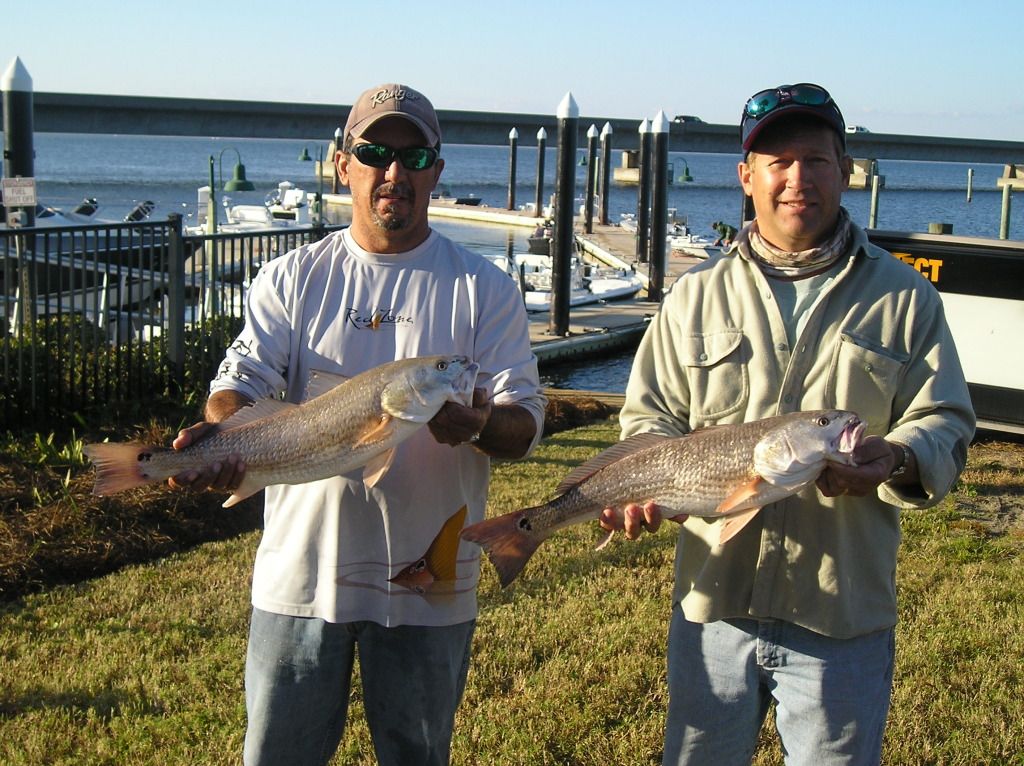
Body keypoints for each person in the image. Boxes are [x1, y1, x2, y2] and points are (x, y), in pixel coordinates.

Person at [170, 83, 546, 766]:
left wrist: (480, 426)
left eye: (413, 156)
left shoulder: (483, 289)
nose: (393, 172)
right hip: (300, 580)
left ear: (437, 168)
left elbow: (523, 424)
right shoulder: (291, 278)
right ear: (343, 163)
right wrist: (224, 440)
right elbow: (238, 383)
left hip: (433, 585)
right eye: (374, 152)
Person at [601, 82, 975, 765]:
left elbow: (946, 420)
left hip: (842, 618)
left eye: (816, 160)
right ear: (746, 177)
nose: (797, 178)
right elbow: (649, 416)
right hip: (711, 607)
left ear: (846, 171)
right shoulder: (695, 296)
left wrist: (893, 458)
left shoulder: (905, 299)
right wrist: (638, 482)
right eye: (777, 161)